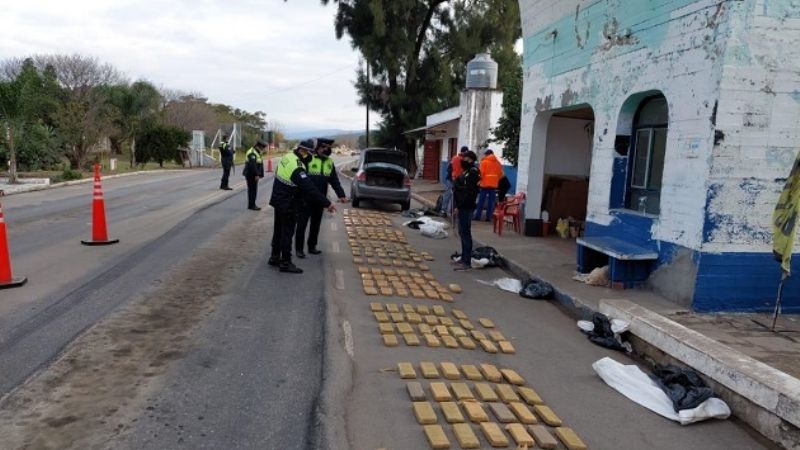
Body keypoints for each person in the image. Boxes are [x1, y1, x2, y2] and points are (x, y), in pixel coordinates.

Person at [269, 140, 335, 273]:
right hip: (288, 202)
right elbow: (309, 188)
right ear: (303, 151)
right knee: (287, 232)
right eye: (308, 153)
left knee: (278, 230)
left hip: (278, 199)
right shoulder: (297, 167)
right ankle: (285, 262)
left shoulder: (287, 156)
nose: (309, 156)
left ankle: (274, 257)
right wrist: (327, 203)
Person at [296, 138, 347, 257]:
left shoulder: (329, 162)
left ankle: (312, 246)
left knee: (316, 224)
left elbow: (334, 180)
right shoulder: (308, 159)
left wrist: (341, 194)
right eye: (324, 147)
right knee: (302, 224)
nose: (326, 150)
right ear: (317, 147)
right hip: (305, 198)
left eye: (328, 148)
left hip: (320, 199)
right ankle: (299, 249)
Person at [452, 150, 480, 271]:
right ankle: (463, 259)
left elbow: (468, 193)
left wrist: (459, 206)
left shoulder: (473, 173)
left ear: (471, 160)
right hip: (463, 206)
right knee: (462, 233)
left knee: (465, 234)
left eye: (467, 159)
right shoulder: (468, 172)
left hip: (466, 207)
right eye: (463, 158)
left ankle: (466, 262)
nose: (464, 161)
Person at [473, 148, 503, 221]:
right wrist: (495, 180)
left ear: (487, 154)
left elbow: (481, 173)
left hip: (484, 184)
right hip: (493, 185)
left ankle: (478, 216)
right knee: (491, 201)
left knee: (481, 201)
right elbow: (501, 175)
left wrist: (479, 180)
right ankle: (489, 217)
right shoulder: (498, 163)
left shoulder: (484, 162)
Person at [440, 146, 469, 216]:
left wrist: (452, 176)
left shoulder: (454, 158)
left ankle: (444, 210)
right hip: (458, 181)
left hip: (452, 179)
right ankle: (452, 211)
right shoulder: (464, 160)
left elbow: (449, 169)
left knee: (448, 195)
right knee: (455, 196)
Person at [243, 141, 266, 210]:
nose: (262, 149)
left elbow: (258, 163)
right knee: (252, 190)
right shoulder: (252, 153)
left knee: (252, 190)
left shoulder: (256, 152)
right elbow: (252, 165)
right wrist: (256, 174)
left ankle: (252, 204)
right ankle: (252, 205)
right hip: (251, 174)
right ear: (257, 146)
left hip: (252, 174)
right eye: (261, 148)